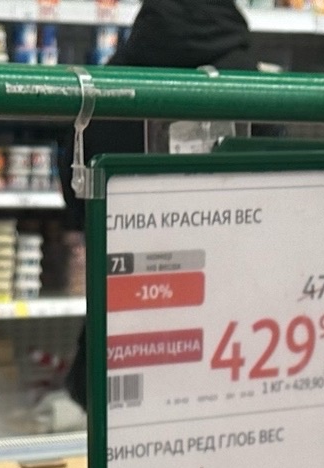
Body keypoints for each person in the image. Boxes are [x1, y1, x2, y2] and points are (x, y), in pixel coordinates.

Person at [63, 0, 252, 407]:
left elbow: (75, 187)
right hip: (234, 329)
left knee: (120, 419)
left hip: (128, 313)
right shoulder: (254, 85)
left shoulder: (111, 83)